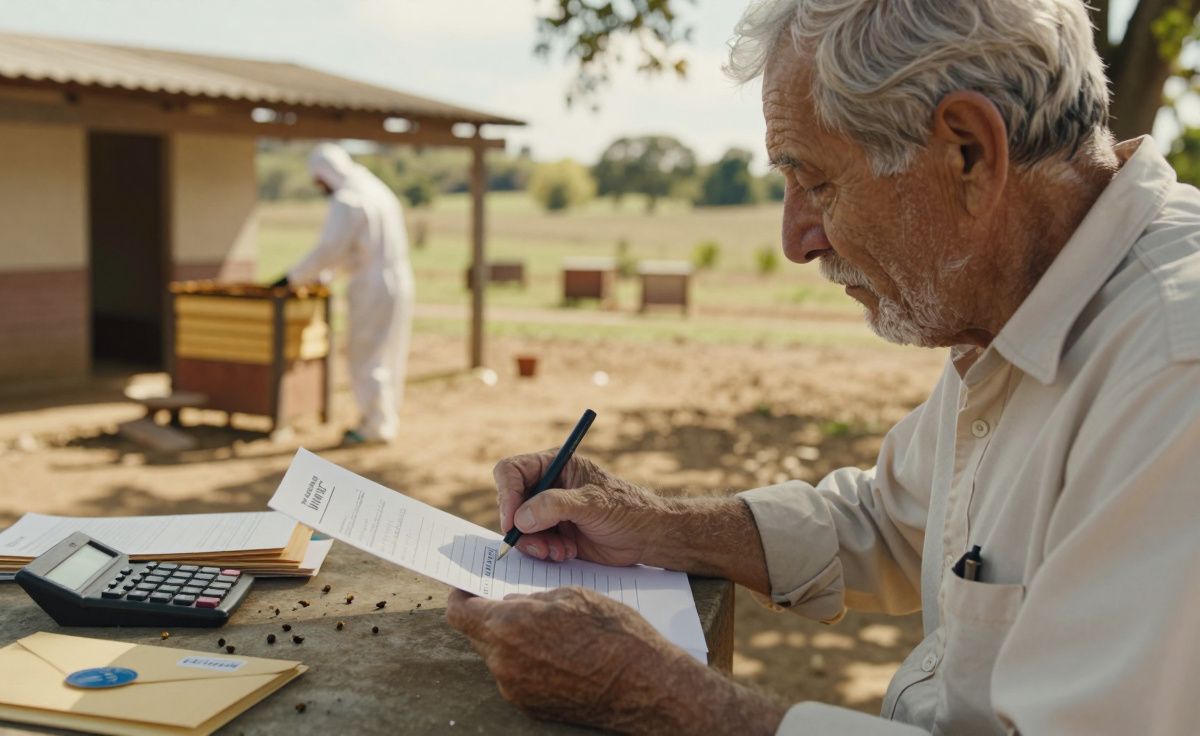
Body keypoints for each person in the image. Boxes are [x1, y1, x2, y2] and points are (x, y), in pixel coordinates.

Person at [446, 0, 1200, 733]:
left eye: (817, 184)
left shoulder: (1173, 371)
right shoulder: (1018, 299)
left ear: (969, 153)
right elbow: (891, 520)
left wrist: (653, 694)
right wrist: (651, 522)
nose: (796, 241)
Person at [274, 143, 415, 446]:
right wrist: (324, 276)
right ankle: (383, 418)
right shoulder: (375, 188)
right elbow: (355, 249)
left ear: (325, 174)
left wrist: (291, 278)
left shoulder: (348, 199)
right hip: (398, 280)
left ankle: (375, 425)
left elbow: (330, 249)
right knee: (388, 352)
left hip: (371, 286)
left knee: (365, 354)